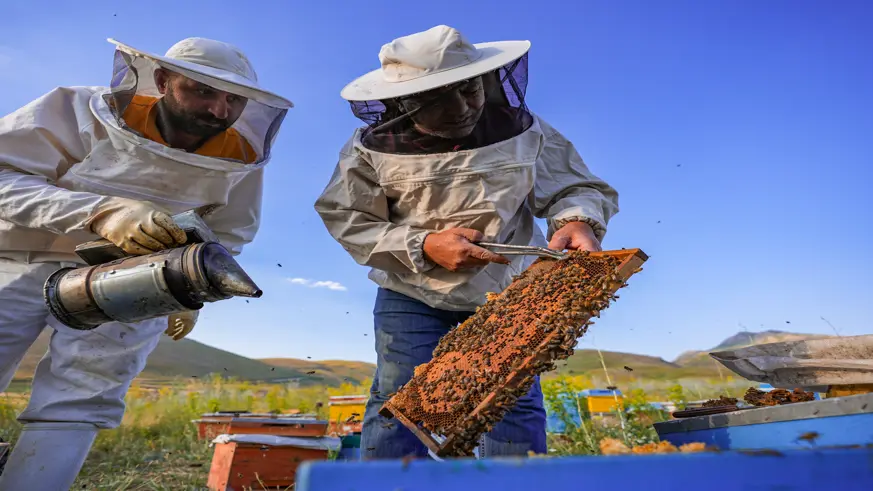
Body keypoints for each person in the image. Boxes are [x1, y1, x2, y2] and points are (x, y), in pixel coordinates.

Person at [314, 25, 619, 460]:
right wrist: (422, 245)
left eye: (468, 89)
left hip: (510, 291)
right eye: (437, 98)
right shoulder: (368, 150)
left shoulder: (526, 130)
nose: (460, 108)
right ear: (403, 103)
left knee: (512, 401)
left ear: (486, 81)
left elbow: (575, 187)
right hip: (412, 293)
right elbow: (346, 217)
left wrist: (577, 220)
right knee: (402, 403)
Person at [0, 37, 292, 488]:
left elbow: (228, 235)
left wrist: (193, 290)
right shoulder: (75, 109)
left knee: (83, 396)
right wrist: (100, 212)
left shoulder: (240, 156)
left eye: (234, 99)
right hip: (19, 257)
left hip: (138, 279)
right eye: (203, 91)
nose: (218, 110)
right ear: (161, 80)